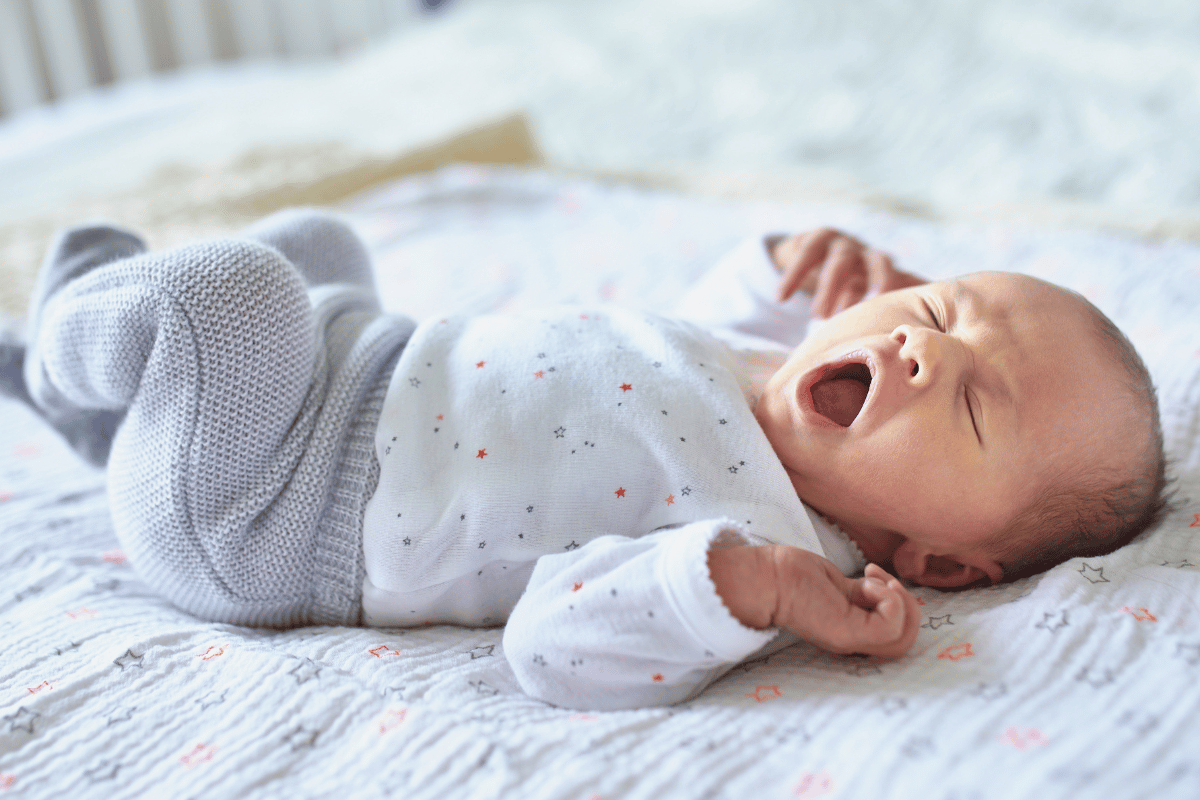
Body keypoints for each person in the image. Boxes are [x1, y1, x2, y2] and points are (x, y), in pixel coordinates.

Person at [1, 210, 1167, 711]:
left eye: (970, 402)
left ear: (943, 563)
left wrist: (733, 591)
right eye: (939, 304)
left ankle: (67, 363)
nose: (919, 346)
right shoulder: (767, 367)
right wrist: (779, 265)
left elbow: (553, 646)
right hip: (361, 363)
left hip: (270, 513)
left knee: (234, 294)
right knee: (318, 248)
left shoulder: (758, 546)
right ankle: (117, 429)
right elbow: (653, 345)